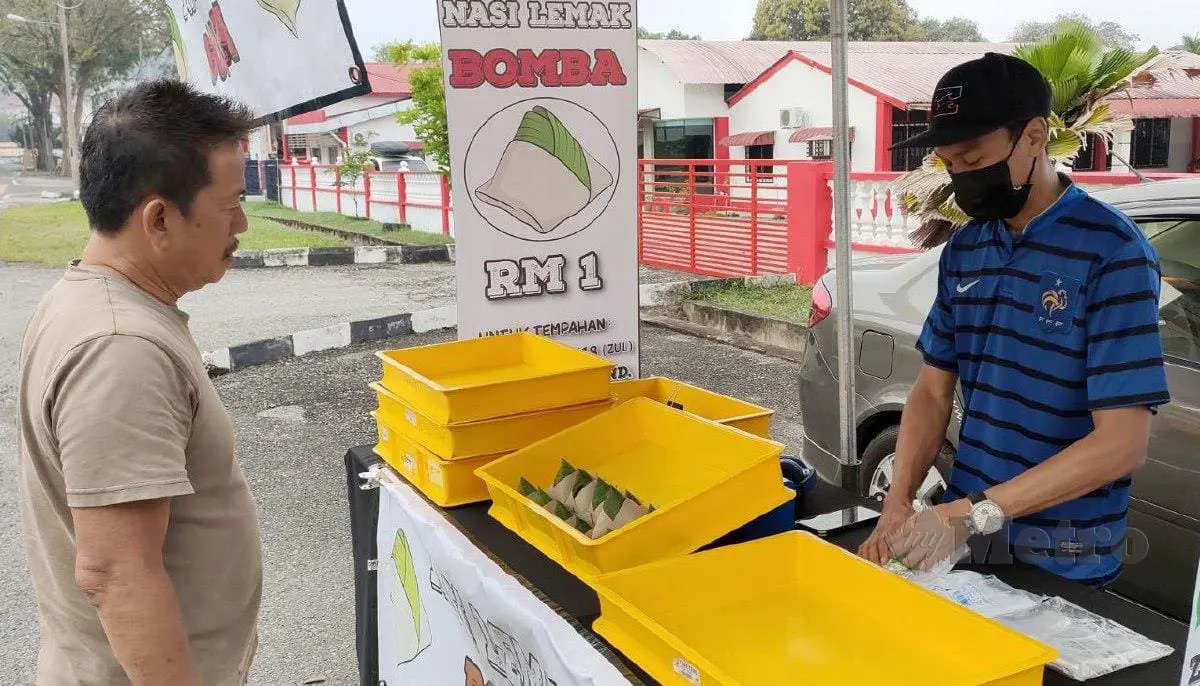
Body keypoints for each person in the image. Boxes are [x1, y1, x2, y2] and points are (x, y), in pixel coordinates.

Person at [857, 53, 1169, 587]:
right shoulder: (966, 245)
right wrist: (899, 502)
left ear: (1033, 137)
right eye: (950, 165)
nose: (962, 179)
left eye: (974, 160)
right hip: (972, 542)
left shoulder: (1113, 252)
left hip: (1067, 551)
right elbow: (933, 390)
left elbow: (1122, 443)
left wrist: (971, 512)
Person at [17, 80, 261, 684]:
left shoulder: (90, 301)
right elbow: (116, 574)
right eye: (229, 204)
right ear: (158, 218)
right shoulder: (120, 347)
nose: (243, 224)